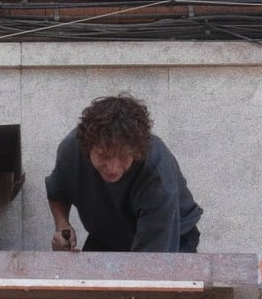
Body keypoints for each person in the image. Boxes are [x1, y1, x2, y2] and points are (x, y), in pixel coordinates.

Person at [46, 95, 202, 254]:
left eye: (123, 157)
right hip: (109, 235)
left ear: (137, 152)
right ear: (87, 148)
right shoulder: (71, 150)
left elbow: (149, 265)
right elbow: (57, 192)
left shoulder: (158, 176)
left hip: (170, 235)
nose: (113, 168)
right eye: (104, 156)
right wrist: (62, 224)